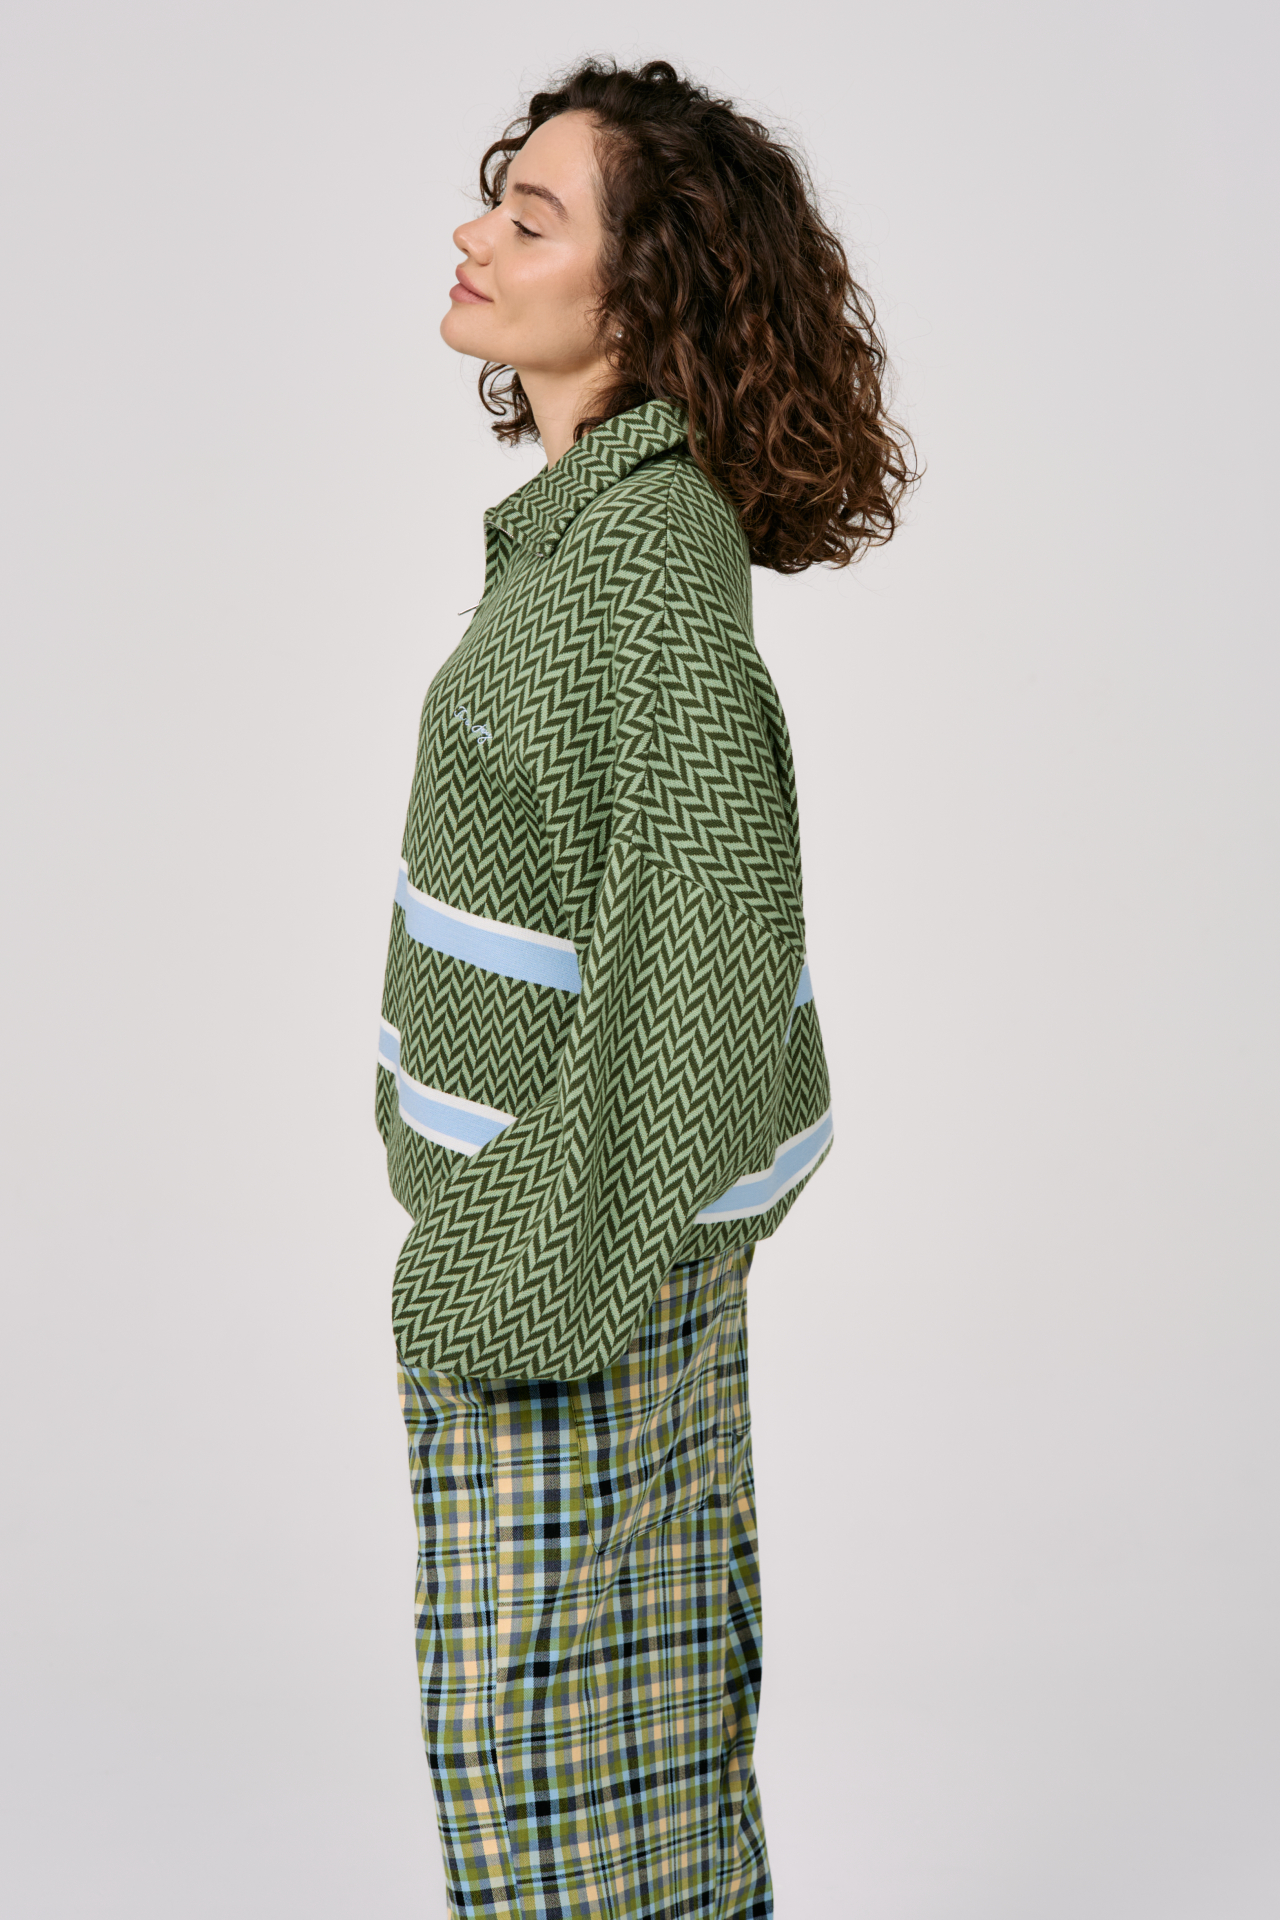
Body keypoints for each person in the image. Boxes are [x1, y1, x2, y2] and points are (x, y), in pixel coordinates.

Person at [376, 58, 914, 1919]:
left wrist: (503, 1276)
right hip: (569, 1261)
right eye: (495, 195)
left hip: (570, 1288)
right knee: (606, 1797)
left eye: (533, 218)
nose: (477, 233)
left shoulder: (649, 562)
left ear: (643, 292)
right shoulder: (586, 537)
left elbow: (704, 956)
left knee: (565, 1818)